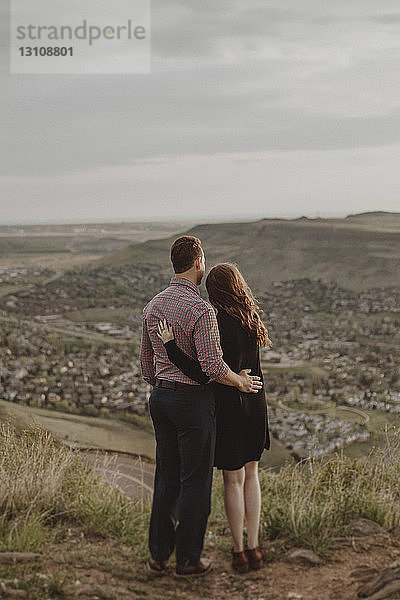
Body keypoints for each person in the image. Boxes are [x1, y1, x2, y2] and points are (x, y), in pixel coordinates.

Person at [140, 237, 262, 578]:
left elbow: (146, 367)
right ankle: (189, 561)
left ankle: (158, 557)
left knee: (166, 480)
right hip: (192, 404)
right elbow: (211, 366)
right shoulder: (200, 310)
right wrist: (238, 382)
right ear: (198, 264)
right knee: (195, 482)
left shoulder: (152, 307)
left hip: (160, 399)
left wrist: (165, 384)